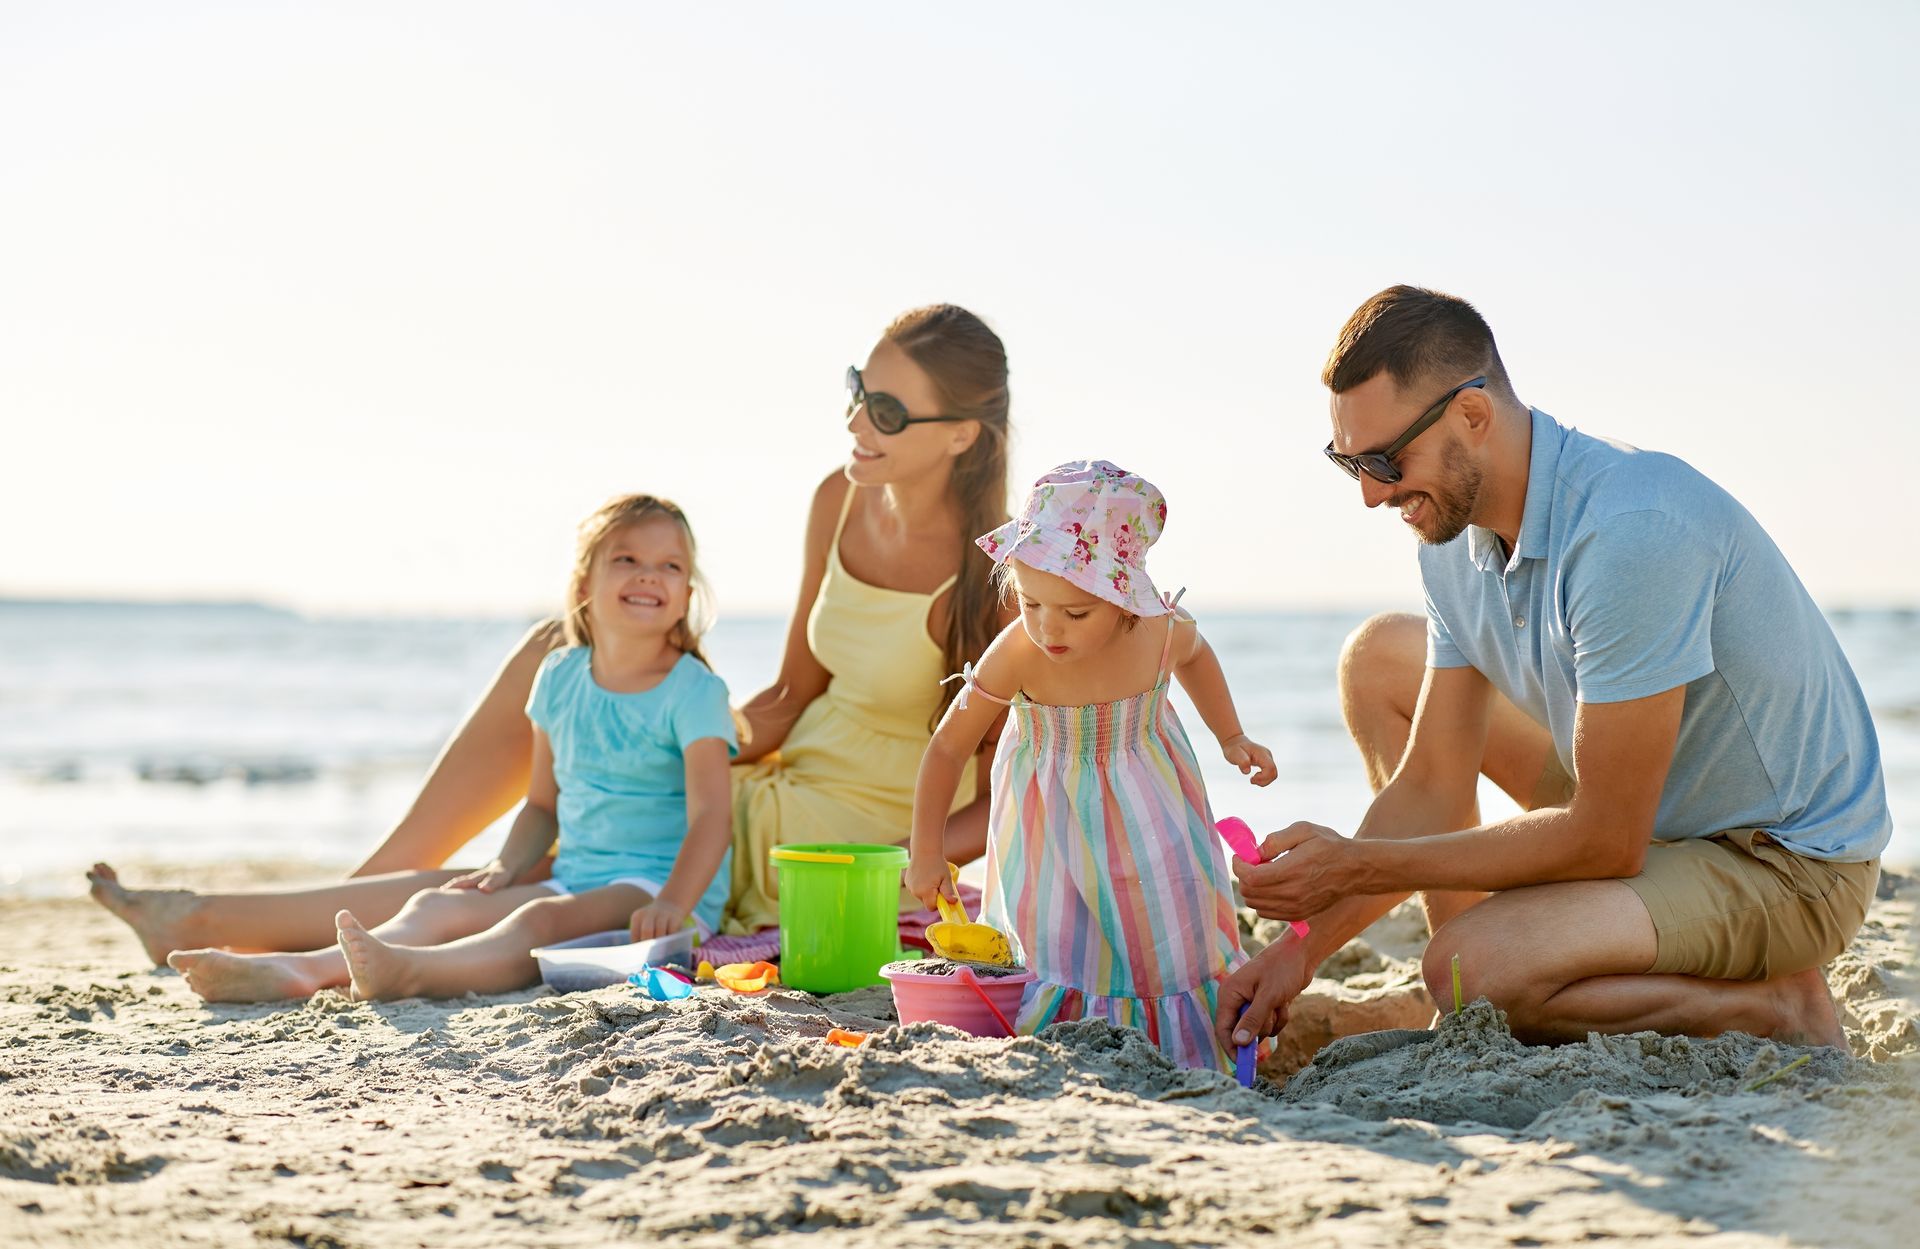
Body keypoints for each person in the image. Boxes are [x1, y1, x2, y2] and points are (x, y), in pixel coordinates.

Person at [88, 304, 1012, 957]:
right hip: (779, 774)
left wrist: (913, 867)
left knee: (559, 873)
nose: (855, 421)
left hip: (854, 836)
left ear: (964, 434)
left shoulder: (998, 577)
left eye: (885, 411)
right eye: (856, 389)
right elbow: (792, 692)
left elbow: (1012, 777)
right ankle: (331, 898)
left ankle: (222, 916)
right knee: (567, 663)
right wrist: (694, 728)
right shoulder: (842, 498)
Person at [1216, 286, 1890, 1056]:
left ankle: (1779, 1007)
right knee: (1379, 661)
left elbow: (1607, 839)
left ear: (1473, 415)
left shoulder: (1627, 531)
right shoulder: (1451, 542)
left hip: (1780, 862)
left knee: (1476, 967)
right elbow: (1433, 782)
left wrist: (1354, 865)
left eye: (1384, 459)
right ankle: (1483, 988)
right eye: (1349, 464)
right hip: (1650, 801)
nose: (1372, 493)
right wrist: (1293, 954)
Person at [167, 494, 737, 1002]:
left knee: (536, 920)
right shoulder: (560, 676)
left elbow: (712, 816)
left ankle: (409, 974)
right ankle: (302, 969)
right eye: (628, 560)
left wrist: (674, 902)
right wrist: (505, 865)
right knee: (440, 904)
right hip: (578, 873)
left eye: (671, 565)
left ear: (688, 591)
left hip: (657, 888)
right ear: (584, 583)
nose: (649, 576)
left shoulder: (694, 690)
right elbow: (542, 805)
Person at [908, 461, 1277, 1071]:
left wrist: (1231, 736)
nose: (1049, 627)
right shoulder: (1020, 653)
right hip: (1049, 831)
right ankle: (1062, 1048)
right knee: (1053, 939)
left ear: (1123, 598)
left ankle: (1183, 1052)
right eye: (1031, 603)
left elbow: (1199, 656)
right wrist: (927, 849)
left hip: (1152, 811)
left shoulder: (1158, 631)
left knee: (1168, 928)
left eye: (1076, 613)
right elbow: (947, 747)